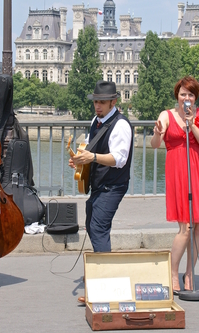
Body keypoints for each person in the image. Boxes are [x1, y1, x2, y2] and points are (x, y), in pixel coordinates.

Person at [151, 76, 199, 295]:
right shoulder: (166, 115)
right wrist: (156, 133)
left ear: (195, 98)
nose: (186, 98)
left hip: (197, 169)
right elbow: (155, 145)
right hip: (177, 171)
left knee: (198, 225)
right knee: (185, 227)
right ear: (177, 95)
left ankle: (190, 272)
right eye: (183, 93)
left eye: (190, 95)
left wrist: (192, 125)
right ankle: (173, 273)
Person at [69, 80, 133, 253]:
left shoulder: (120, 125)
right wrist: (80, 160)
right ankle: (102, 269)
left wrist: (93, 157)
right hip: (100, 185)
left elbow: (120, 159)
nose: (97, 106)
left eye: (102, 102)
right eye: (96, 101)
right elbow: (89, 147)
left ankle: (104, 274)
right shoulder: (95, 121)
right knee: (92, 225)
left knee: (98, 228)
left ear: (113, 102)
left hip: (113, 185)